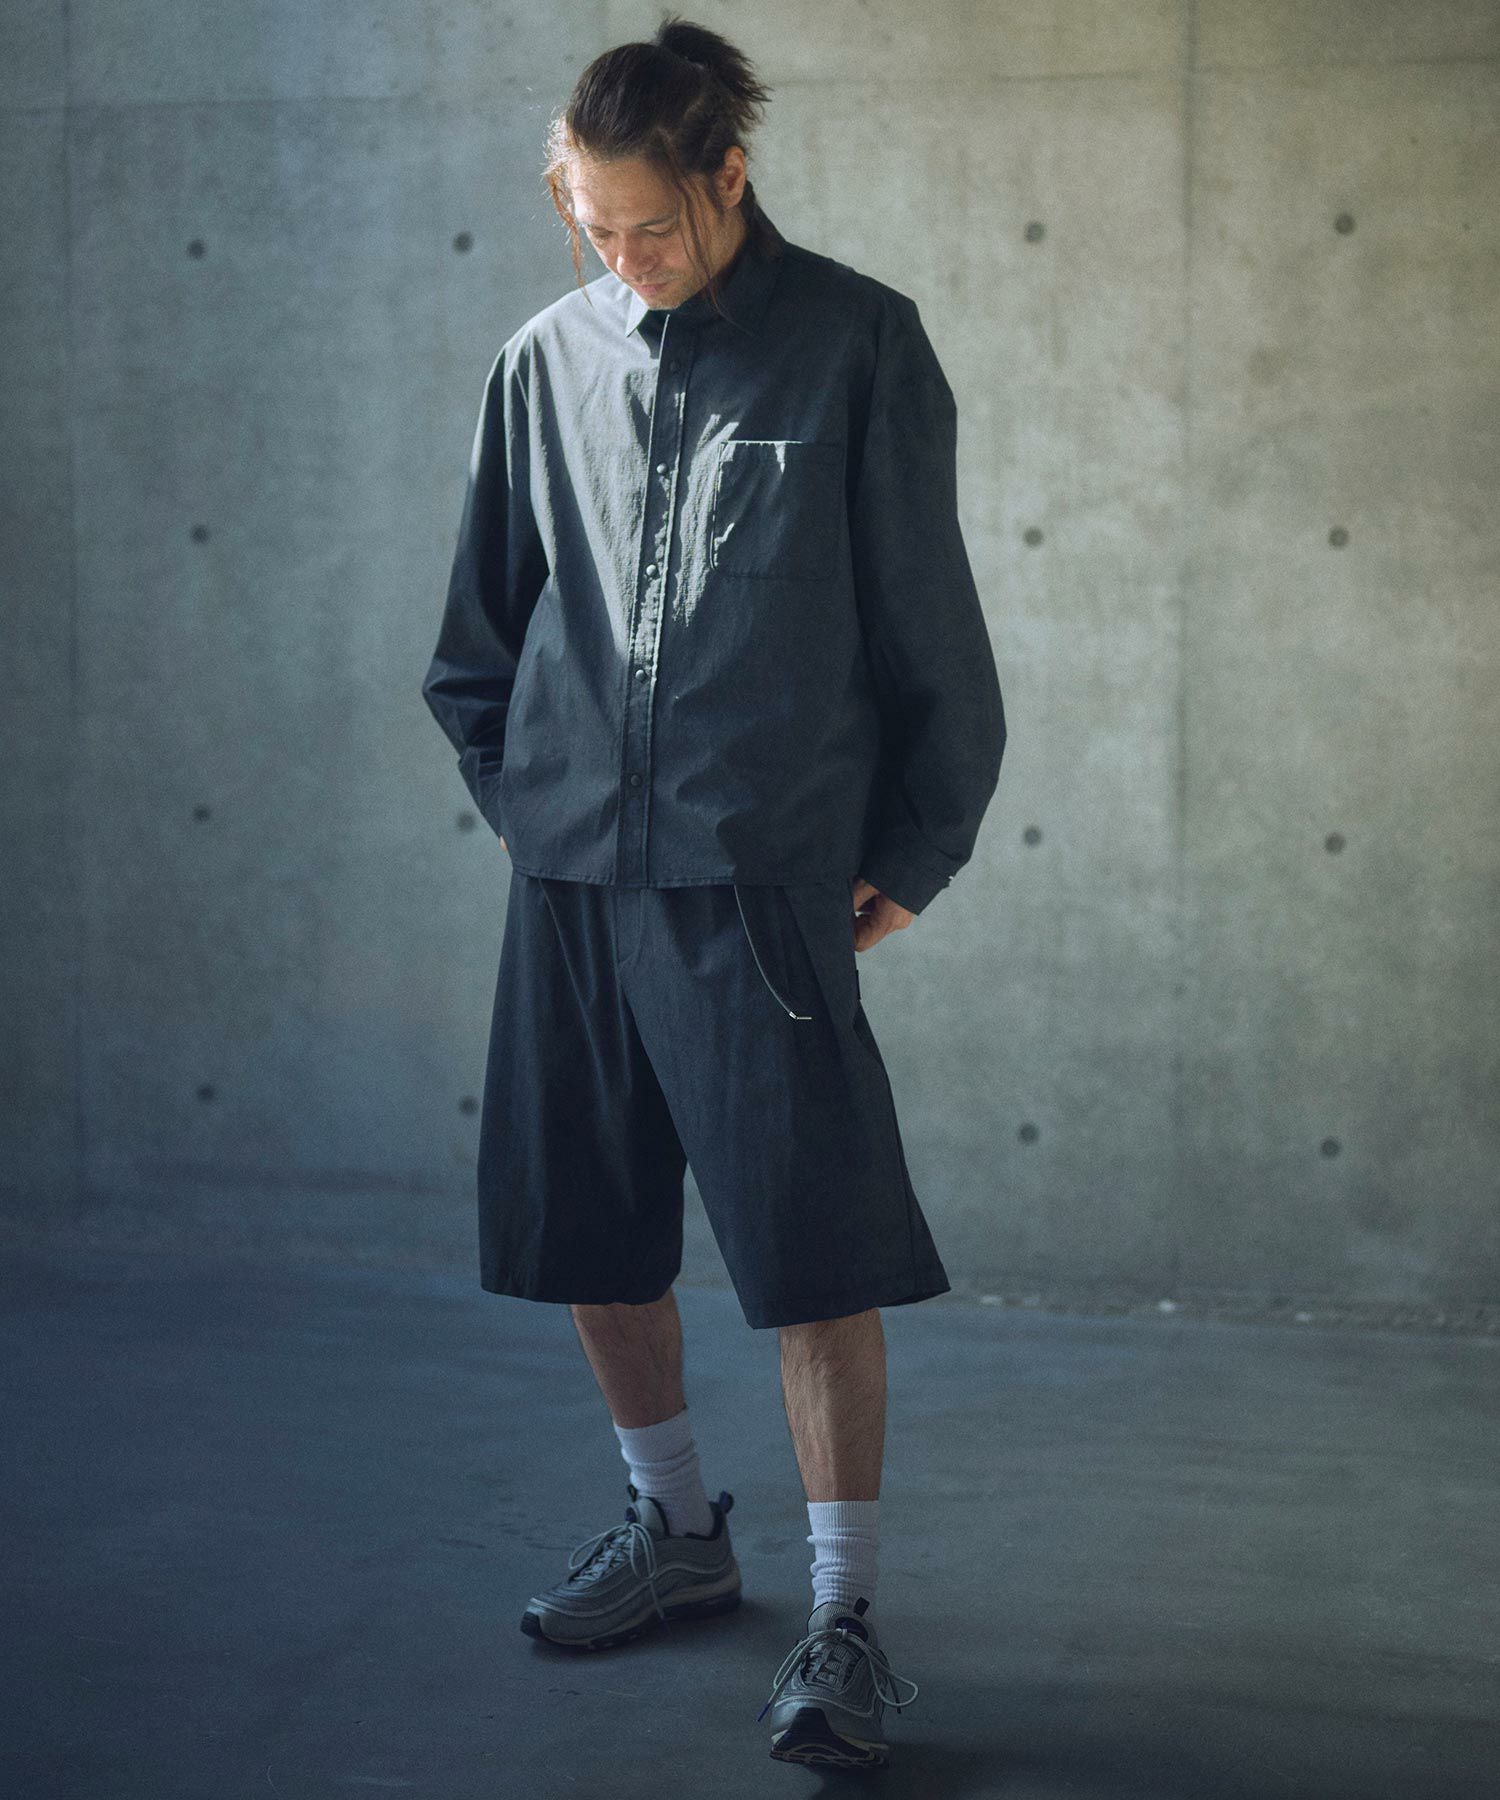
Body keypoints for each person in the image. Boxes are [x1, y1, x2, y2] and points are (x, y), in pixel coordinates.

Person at [420, 11, 1006, 1772]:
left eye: (651, 226)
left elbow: (932, 635)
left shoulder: (857, 345)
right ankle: (676, 1530)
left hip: (758, 888)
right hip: (574, 886)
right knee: (591, 1240)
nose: (623, 258)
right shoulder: (543, 363)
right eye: (590, 227)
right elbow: (475, 647)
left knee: (812, 1260)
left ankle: (845, 1622)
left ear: (729, 177)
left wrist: (915, 847)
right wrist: (532, 808)